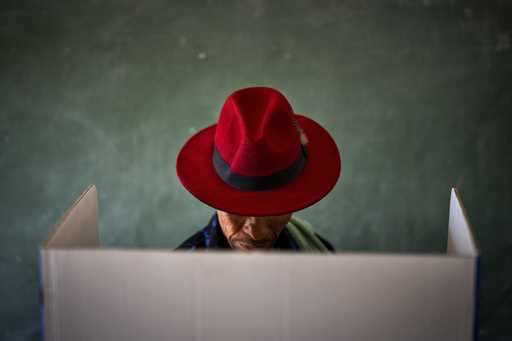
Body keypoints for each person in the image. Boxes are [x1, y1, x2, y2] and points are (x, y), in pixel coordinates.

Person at [175, 86, 341, 251]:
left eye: (274, 209)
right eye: (237, 209)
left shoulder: (321, 255)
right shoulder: (179, 273)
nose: (256, 234)